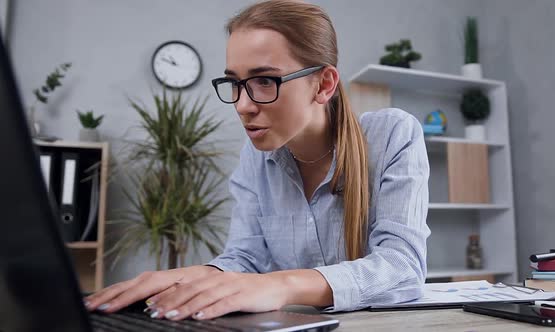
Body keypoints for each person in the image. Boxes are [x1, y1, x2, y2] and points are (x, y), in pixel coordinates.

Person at [85, 0, 430, 321]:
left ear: (323, 84)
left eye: (265, 81)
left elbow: (402, 267)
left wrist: (280, 285)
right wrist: (193, 276)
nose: (242, 105)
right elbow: (245, 258)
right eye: (234, 83)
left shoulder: (392, 134)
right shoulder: (256, 156)